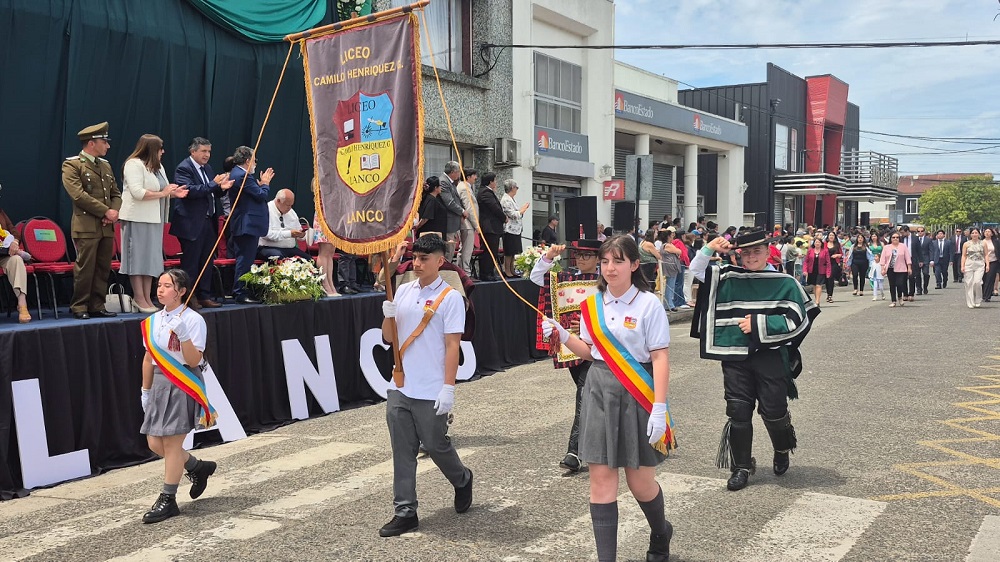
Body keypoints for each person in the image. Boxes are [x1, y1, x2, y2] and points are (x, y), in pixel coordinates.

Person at [541, 235, 674, 562]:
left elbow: (659, 358)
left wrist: (659, 407)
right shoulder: (592, 304)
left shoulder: (649, 304)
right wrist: (562, 334)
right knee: (601, 483)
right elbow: (589, 352)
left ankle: (660, 532)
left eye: (617, 261)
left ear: (633, 264)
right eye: (605, 262)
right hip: (599, 389)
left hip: (638, 394)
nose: (610, 268)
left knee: (640, 484)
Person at [689, 230, 819, 492]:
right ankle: (741, 467)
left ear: (768, 252)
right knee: (737, 410)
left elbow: (800, 319)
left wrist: (759, 325)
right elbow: (696, 270)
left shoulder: (784, 281)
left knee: (774, 410)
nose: (750, 257)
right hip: (736, 355)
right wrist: (709, 247)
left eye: (756, 251)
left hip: (771, 356)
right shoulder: (728, 276)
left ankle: (782, 448)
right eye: (745, 252)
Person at [378, 234, 473, 537]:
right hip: (401, 384)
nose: (417, 264)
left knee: (435, 445)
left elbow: (451, 346)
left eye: (424, 259)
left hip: (431, 387)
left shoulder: (451, 297)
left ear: (440, 261)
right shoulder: (403, 290)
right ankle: (405, 511)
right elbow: (390, 339)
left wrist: (449, 387)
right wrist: (387, 316)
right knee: (402, 450)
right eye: (415, 258)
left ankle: (461, 479)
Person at [139, 269, 217, 523]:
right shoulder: (152, 322)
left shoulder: (193, 320)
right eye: (158, 284)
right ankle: (197, 467)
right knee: (155, 443)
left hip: (183, 381)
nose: (160, 290)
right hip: (160, 383)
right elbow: (149, 357)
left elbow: (194, 359)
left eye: (167, 286)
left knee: (172, 444)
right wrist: (145, 390)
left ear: (182, 291)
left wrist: (183, 336)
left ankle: (168, 498)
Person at [531, 239, 601, 473]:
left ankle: (575, 452)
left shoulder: (607, 281)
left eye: (587, 256)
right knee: (589, 395)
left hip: (601, 348)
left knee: (584, 393)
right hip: (571, 347)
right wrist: (549, 256)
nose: (581, 260)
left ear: (598, 259)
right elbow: (536, 278)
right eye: (578, 255)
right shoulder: (564, 279)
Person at [62, 122, 123, 320]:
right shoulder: (72, 164)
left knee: (103, 266)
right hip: (86, 225)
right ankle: (80, 306)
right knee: (86, 267)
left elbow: (116, 193)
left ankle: (97, 304)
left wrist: (114, 211)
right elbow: (78, 195)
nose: (108, 146)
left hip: (106, 226)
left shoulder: (105, 166)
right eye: (104, 142)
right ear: (91, 143)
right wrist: (106, 211)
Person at [120, 134, 187, 313]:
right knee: (137, 259)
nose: (163, 151)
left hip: (154, 218)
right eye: (160, 148)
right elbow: (137, 192)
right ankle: (138, 298)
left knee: (150, 259)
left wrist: (173, 193)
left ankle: (148, 298)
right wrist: (164, 193)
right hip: (137, 217)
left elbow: (161, 190)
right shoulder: (133, 164)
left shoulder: (157, 167)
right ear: (150, 149)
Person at [172, 137, 232, 308]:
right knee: (191, 263)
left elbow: (211, 192)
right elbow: (190, 191)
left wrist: (221, 188)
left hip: (208, 221)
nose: (207, 155)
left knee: (207, 261)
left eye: (209, 151)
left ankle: (204, 294)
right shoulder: (184, 168)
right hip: (191, 223)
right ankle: (188, 298)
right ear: (193, 151)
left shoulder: (208, 168)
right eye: (204, 151)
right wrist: (214, 184)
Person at [227, 146, 273, 304]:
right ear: (247, 161)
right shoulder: (242, 175)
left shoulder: (240, 174)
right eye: (254, 160)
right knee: (244, 260)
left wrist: (259, 186)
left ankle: (241, 289)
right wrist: (265, 184)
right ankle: (240, 292)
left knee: (246, 258)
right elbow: (261, 195)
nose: (255, 163)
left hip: (246, 224)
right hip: (245, 224)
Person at [258, 189, 311, 260]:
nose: (289, 208)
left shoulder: (291, 212)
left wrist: (301, 235)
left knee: (309, 260)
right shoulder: (266, 210)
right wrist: (289, 234)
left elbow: (299, 233)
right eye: (287, 205)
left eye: (291, 205)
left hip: (289, 249)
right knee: (278, 258)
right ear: (278, 201)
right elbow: (266, 234)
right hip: (268, 248)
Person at [475, 172, 505, 282]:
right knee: (489, 251)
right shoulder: (485, 192)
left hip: (493, 227)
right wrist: (503, 217)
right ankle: (485, 273)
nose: (496, 183)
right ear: (490, 181)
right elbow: (495, 208)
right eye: (495, 181)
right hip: (489, 227)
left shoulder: (488, 192)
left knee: (493, 250)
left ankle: (490, 271)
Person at [0, 225, 31, 322]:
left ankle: (22, 304)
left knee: (17, 260)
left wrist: (14, 242)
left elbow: (15, 232)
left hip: (3, 255)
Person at [437, 161, 466, 262]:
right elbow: (449, 202)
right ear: (453, 172)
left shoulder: (451, 182)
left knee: (451, 250)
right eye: (458, 172)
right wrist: (462, 211)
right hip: (448, 223)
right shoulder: (443, 181)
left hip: (454, 222)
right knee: (448, 251)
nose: (459, 175)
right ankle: (445, 273)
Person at [500, 179, 528, 277]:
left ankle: (512, 269)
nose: (517, 189)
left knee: (514, 252)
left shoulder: (511, 199)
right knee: (509, 251)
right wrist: (522, 210)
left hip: (515, 229)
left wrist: (520, 212)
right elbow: (511, 214)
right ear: (512, 188)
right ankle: (507, 270)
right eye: (516, 187)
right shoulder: (506, 199)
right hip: (509, 229)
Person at [311, 213, 340, 298]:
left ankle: (331, 284)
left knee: (330, 253)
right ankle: (324, 284)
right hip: (324, 216)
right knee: (324, 252)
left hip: (335, 218)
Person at [880, 232, 912, 308]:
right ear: (890, 239)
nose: (895, 239)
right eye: (893, 237)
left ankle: (900, 297)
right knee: (892, 285)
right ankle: (893, 300)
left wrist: (909, 267)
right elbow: (882, 259)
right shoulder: (886, 247)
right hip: (890, 268)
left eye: (897, 237)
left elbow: (907, 257)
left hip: (901, 268)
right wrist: (882, 269)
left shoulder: (903, 246)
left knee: (900, 284)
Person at [456, 169, 479, 275]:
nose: (476, 178)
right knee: (466, 250)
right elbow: (469, 208)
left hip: (466, 223)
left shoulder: (464, 187)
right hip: (467, 223)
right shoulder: (464, 188)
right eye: (474, 175)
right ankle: (465, 272)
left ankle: (462, 271)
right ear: (468, 177)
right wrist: (476, 225)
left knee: (464, 249)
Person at [961, 228, 987, 309]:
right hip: (969, 263)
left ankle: (978, 299)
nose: (974, 234)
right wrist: (962, 266)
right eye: (973, 233)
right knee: (969, 283)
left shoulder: (983, 243)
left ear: (979, 234)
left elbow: (986, 255)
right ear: (970, 234)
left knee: (977, 282)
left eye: (976, 233)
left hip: (980, 264)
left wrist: (988, 265)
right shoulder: (966, 244)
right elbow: (964, 255)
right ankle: (970, 301)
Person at [802, 237, 830, 308]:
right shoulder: (810, 250)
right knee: (814, 285)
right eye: (816, 242)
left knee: (818, 285)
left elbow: (828, 262)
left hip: (821, 270)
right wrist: (805, 270)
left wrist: (828, 272)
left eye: (819, 242)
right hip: (812, 270)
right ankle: (816, 299)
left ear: (821, 244)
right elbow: (806, 261)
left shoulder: (825, 251)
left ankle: (817, 301)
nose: (817, 243)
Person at [912, 226, 932, 296]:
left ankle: (925, 286)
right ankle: (919, 289)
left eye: (922, 231)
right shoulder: (915, 239)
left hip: (926, 259)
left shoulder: (928, 240)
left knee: (925, 274)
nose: (920, 233)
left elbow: (931, 250)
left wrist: (931, 260)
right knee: (917, 275)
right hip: (916, 260)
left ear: (924, 232)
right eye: (919, 231)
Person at [824, 231, 843, 303]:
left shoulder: (837, 244)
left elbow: (841, 254)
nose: (831, 237)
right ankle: (828, 293)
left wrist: (837, 255)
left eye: (832, 235)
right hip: (825, 263)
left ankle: (830, 295)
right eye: (830, 235)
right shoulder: (824, 244)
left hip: (834, 263)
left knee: (831, 277)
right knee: (827, 279)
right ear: (828, 237)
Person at [982, 228, 999, 302]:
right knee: (983, 278)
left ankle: (987, 296)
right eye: (986, 231)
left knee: (990, 279)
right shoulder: (981, 242)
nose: (987, 233)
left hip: (993, 262)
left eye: (989, 232)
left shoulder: (996, 242)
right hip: (982, 262)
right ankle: (983, 294)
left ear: (992, 233)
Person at [868, 233, 885, 301]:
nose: (873, 237)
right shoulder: (869, 244)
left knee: (880, 286)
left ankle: (882, 294)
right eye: (872, 236)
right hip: (872, 260)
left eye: (875, 236)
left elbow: (884, 252)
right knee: (874, 284)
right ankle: (875, 296)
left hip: (880, 260)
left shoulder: (881, 244)